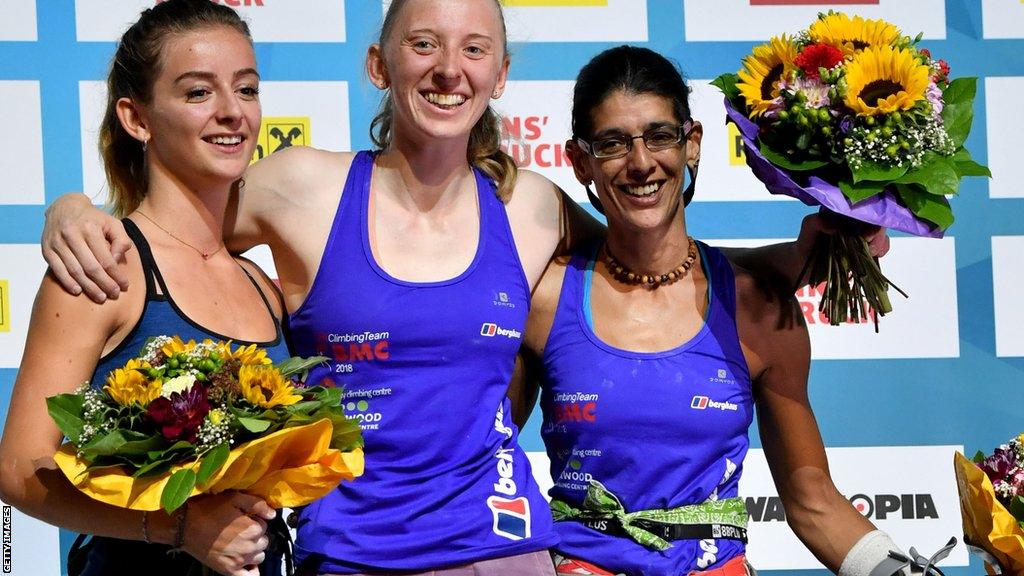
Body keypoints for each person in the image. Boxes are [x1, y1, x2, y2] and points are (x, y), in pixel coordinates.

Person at [36, 1, 886, 574]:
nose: (449, 69)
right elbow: (173, 233)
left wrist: (800, 251)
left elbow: (652, 251)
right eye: (424, 44)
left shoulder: (532, 206)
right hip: (348, 550)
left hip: (506, 546)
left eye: (474, 48)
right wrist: (74, 210)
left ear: (501, 72)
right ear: (378, 63)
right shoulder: (298, 186)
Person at [518, 45, 914, 576]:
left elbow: (813, 500)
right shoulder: (544, 300)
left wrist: (901, 572)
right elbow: (478, 462)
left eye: (659, 135)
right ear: (581, 161)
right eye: (613, 144)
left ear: (693, 143)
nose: (641, 164)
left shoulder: (757, 306)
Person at [0, 2, 285, 575]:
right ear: (137, 118)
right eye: (198, 93)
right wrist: (178, 527)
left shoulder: (265, 284)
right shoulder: (103, 269)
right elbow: (18, 473)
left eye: (247, 89)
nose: (232, 112)